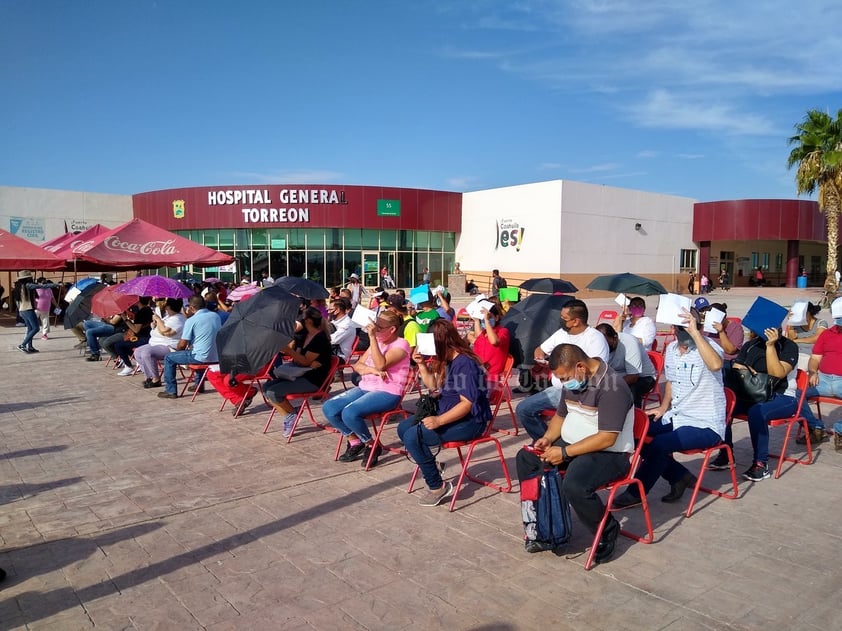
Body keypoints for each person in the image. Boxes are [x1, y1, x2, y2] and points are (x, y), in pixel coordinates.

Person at [516, 343, 634, 562]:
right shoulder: (574, 380)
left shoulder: (612, 387)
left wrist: (565, 452)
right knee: (527, 459)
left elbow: (607, 437)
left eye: (563, 378)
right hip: (573, 444)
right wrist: (548, 438)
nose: (563, 383)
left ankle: (607, 531)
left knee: (575, 484)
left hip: (609, 453)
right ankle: (545, 523)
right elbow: (560, 416)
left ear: (580, 366)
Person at [614, 309, 726, 508]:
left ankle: (636, 492)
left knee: (660, 444)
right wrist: (663, 408)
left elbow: (716, 365)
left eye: (693, 325)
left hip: (705, 423)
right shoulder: (673, 350)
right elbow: (671, 383)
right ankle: (679, 475)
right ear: (673, 328)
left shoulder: (709, 348)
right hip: (677, 415)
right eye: (682, 327)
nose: (687, 330)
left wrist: (695, 333)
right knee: (634, 432)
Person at [398, 319, 492, 507]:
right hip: (449, 411)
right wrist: (422, 365)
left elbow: (467, 404)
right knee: (403, 428)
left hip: (472, 420)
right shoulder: (448, 359)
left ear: (441, 343)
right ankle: (432, 465)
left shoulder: (465, 364)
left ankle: (437, 486)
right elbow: (433, 387)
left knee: (412, 437)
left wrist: (439, 420)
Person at [325, 310, 411, 467]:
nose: (374, 330)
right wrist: (371, 371)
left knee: (349, 413)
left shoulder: (401, 344)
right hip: (367, 386)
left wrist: (372, 338)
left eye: (379, 328)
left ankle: (372, 445)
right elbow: (357, 366)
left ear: (392, 329)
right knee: (329, 407)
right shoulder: (376, 343)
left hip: (388, 391)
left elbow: (381, 364)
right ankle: (356, 441)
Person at [516, 299, 610, 441]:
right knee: (523, 409)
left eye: (564, 319)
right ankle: (547, 442)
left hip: (581, 392)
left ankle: (557, 445)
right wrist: (540, 356)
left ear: (576, 321)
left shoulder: (595, 339)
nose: (561, 321)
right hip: (557, 389)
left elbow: (596, 373)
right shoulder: (561, 333)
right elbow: (540, 349)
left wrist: (567, 372)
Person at [725, 327, 805, 481]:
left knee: (757, 412)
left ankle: (761, 464)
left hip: (783, 397)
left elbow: (777, 373)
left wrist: (770, 346)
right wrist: (751, 371)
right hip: (753, 394)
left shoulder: (788, 346)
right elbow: (737, 367)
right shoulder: (751, 345)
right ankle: (726, 455)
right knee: (724, 406)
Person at [264, 306, 333, 436]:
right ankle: (291, 414)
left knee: (273, 392)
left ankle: (291, 415)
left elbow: (305, 361)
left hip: (313, 379)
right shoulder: (303, 335)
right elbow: (297, 356)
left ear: (308, 321)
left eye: (300, 319)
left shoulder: (319, 339)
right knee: (267, 386)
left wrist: (289, 351)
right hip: (300, 373)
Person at [158, 296, 222, 400]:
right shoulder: (215, 316)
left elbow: (182, 344)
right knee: (197, 351)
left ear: (191, 308)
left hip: (201, 357)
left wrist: (177, 352)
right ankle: (199, 385)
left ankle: (171, 390)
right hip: (216, 357)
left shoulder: (191, 320)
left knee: (169, 357)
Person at [596, 323, 657, 409]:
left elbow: (633, 377)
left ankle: (635, 416)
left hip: (643, 377)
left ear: (615, 337)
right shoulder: (597, 344)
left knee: (630, 390)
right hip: (618, 376)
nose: (604, 347)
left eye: (607, 345)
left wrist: (610, 385)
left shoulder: (629, 342)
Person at [133, 298, 186, 388]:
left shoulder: (178, 319)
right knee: (137, 352)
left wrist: (158, 320)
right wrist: (154, 325)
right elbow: (161, 327)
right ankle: (149, 376)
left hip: (169, 346)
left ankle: (156, 379)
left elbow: (165, 332)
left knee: (147, 353)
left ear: (169, 307)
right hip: (156, 343)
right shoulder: (169, 316)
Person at [466, 303, 510, 398]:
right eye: (484, 318)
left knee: (471, 397)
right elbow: (478, 338)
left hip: (491, 377)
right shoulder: (484, 333)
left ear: (497, 318)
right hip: (478, 373)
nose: (485, 320)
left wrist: (486, 320)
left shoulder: (503, 332)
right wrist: (477, 320)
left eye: (490, 317)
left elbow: (494, 341)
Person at [696, 298, 744, 369]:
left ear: (724, 317)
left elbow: (730, 350)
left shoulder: (736, 328)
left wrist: (721, 332)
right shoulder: (706, 326)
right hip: (708, 358)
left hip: (726, 361)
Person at [112, 297, 154, 376]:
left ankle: (129, 366)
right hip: (149, 336)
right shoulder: (149, 310)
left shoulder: (141, 313)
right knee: (125, 344)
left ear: (138, 301)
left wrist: (125, 319)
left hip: (143, 338)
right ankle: (139, 361)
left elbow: (136, 330)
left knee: (118, 345)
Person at [786, 301, 827, 371]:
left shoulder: (821, 323)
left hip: (810, 355)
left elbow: (817, 338)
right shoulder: (796, 323)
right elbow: (791, 338)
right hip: (795, 353)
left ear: (808, 313)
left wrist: (797, 340)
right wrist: (791, 321)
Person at [12, 271, 41, 354]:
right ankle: (22, 345)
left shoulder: (18, 286)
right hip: (28, 309)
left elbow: (17, 301)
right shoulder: (28, 285)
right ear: (27, 278)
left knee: (30, 328)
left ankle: (30, 347)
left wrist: (19, 311)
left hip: (22, 309)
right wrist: (56, 285)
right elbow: (41, 286)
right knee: (36, 328)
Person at [329, 297, 356, 364]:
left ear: (337, 310)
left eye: (330, 310)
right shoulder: (334, 321)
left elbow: (333, 340)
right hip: (331, 352)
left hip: (339, 356)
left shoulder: (347, 324)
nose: (328, 312)